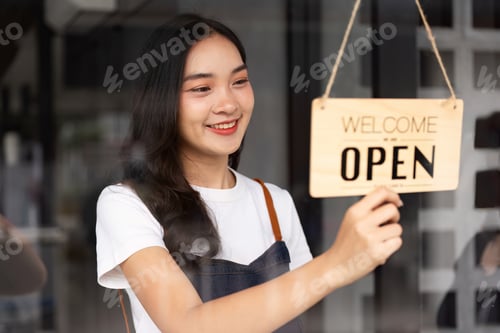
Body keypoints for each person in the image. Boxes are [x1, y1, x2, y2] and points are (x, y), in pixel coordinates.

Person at [96, 14, 403, 333]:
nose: (228, 103)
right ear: (162, 103)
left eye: (239, 81)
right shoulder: (125, 204)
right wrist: (336, 263)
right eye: (202, 88)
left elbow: (294, 309)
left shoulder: (274, 202)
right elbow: (187, 325)